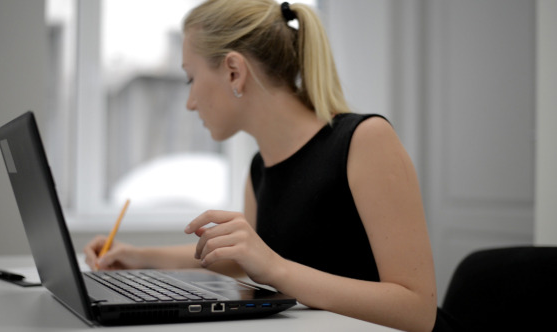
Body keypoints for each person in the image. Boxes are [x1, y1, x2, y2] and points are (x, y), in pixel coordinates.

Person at [85, 1, 460, 331]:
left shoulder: (365, 140)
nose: (190, 102)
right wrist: (137, 257)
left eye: (191, 78)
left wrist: (276, 269)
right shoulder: (259, 166)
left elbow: (417, 311)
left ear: (234, 71)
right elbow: (240, 258)